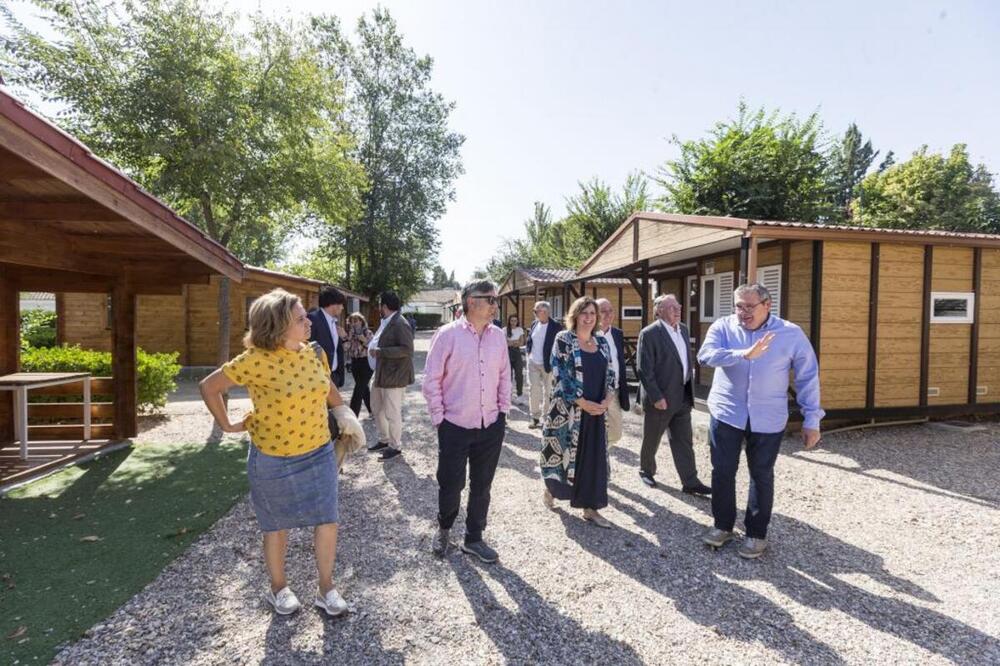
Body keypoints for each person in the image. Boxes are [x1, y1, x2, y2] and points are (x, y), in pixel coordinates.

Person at [199, 288, 363, 617]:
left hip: (318, 453)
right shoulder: (254, 360)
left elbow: (326, 386)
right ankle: (278, 589)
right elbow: (209, 386)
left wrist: (345, 415)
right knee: (275, 527)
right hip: (272, 459)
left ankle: (326, 589)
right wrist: (228, 425)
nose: (309, 323)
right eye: (301, 318)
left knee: (327, 521)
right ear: (277, 325)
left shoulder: (314, 353)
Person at [698, 282, 823, 559]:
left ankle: (756, 534)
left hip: (768, 418)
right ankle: (722, 526)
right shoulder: (723, 327)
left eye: (749, 306)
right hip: (727, 413)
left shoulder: (790, 334)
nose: (742, 312)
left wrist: (811, 419)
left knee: (761, 475)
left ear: (767, 305)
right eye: (738, 306)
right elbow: (704, 356)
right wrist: (742, 354)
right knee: (722, 472)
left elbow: (807, 377)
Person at [422, 280, 510, 563]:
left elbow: (505, 376)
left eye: (496, 300)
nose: (496, 305)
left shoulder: (498, 336)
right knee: (451, 484)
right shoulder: (447, 335)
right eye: (492, 300)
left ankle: (474, 538)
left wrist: (502, 413)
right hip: (455, 426)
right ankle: (445, 527)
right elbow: (431, 380)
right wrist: (440, 419)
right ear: (472, 302)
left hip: (490, 425)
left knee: (482, 485)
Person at [540, 297, 616, 528]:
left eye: (593, 313)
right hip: (568, 412)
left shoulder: (601, 342)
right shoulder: (564, 339)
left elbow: (610, 372)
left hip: (596, 411)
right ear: (575, 315)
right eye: (584, 312)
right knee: (564, 456)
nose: (589, 317)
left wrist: (608, 398)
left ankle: (590, 508)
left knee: (592, 459)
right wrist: (581, 402)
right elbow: (560, 373)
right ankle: (552, 490)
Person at [636, 294, 711, 496]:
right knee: (652, 437)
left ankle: (690, 481)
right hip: (661, 398)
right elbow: (644, 369)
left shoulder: (684, 329)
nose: (677, 310)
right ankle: (646, 470)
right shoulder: (650, 333)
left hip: (683, 396)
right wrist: (656, 396)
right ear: (659, 311)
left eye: (678, 306)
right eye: (671, 307)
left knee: (684, 441)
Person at [367, 291, 415, 461]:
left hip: (393, 376)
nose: (379, 307)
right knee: (377, 407)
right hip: (381, 373)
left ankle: (395, 446)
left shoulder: (400, 323)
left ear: (384, 306)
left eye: (380, 305)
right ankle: (384, 439)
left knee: (392, 412)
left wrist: (381, 352)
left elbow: (407, 350)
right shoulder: (387, 321)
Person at [595, 298, 630, 444]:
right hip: (595, 392)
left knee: (616, 433)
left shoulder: (617, 333)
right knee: (593, 430)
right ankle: (597, 461)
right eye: (603, 311)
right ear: (596, 314)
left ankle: (601, 454)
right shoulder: (589, 335)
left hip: (613, 390)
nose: (608, 314)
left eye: (611, 311)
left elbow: (619, 361)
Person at [525, 301, 563, 429]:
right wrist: (528, 352)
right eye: (535, 311)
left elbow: (560, 346)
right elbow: (530, 339)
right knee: (533, 390)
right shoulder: (534, 323)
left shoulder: (556, 326)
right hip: (533, 362)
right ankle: (535, 417)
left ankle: (546, 417)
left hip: (548, 364)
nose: (534, 313)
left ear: (545, 312)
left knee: (548, 392)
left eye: (536, 311)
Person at [307, 286, 347, 388]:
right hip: (318, 378)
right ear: (333, 304)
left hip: (334, 377)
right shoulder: (312, 319)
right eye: (341, 304)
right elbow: (307, 348)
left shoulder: (334, 322)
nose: (342, 307)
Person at [344, 312, 374, 417]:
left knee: (358, 389)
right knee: (363, 388)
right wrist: (348, 338)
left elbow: (373, 348)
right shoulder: (350, 334)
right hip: (355, 363)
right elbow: (346, 348)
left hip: (367, 363)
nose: (353, 323)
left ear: (361, 321)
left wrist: (364, 340)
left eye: (356, 321)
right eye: (351, 321)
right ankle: (373, 410)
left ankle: (353, 415)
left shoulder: (368, 333)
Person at [505, 314, 525, 402]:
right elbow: (505, 343)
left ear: (517, 321)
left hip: (517, 353)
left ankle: (519, 394)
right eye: (512, 320)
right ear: (509, 321)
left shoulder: (520, 330)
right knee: (508, 375)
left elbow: (521, 342)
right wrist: (515, 342)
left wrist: (511, 342)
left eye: (515, 321)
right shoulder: (504, 330)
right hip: (507, 353)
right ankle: (508, 394)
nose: (513, 322)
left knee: (519, 374)